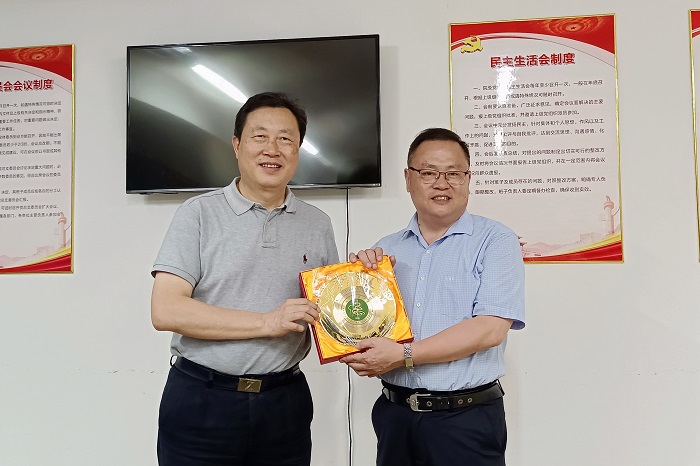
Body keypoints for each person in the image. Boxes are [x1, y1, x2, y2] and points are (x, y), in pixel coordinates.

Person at [150, 91, 339, 465]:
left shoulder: (317, 224)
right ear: (237, 145)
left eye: (285, 139)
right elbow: (165, 310)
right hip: (202, 400)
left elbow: (331, 314)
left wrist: (368, 284)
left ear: (298, 149)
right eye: (260, 136)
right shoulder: (198, 214)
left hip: (285, 402)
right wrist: (267, 322)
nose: (273, 149)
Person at [341, 128, 525, 466]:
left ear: (468, 179)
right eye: (428, 173)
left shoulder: (496, 241)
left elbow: (490, 329)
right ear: (408, 179)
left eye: (453, 173)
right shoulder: (386, 250)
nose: (442, 183)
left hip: (465, 420)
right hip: (394, 416)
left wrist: (403, 355)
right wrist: (357, 288)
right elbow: (368, 332)